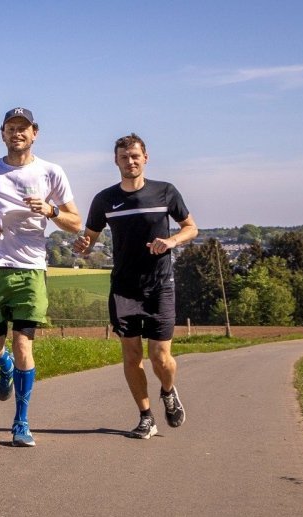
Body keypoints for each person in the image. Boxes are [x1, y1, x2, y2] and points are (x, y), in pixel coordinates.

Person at [0, 107, 82, 446]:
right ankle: (4, 367)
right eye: (11, 128)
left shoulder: (51, 172)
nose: (17, 133)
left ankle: (21, 422)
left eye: (23, 128)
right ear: (2, 133)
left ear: (35, 133)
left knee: (24, 342)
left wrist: (51, 210)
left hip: (31, 269)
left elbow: (75, 222)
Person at [74, 133, 197, 439]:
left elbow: (191, 228)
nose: (130, 162)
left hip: (159, 284)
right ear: (116, 161)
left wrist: (170, 241)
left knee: (160, 357)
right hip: (124, 287)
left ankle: (168, 391)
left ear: (145, 158)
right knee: (131, 356)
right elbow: (89, 241)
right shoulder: (105, 199)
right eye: (124, 157)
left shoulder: (165, 192)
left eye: (135, 156)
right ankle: (145, 417)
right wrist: (81, 245)